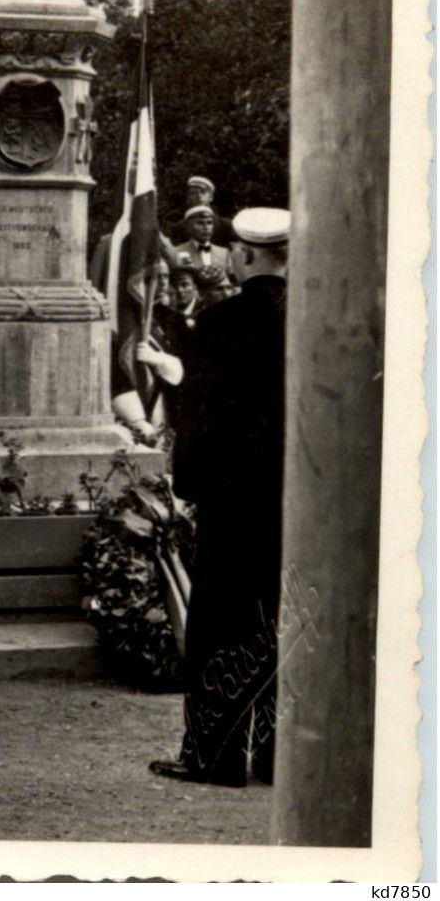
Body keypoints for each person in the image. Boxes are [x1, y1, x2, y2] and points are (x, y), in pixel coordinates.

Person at [152, 208, 290, 788]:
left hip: (234, 500)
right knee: (283, 621)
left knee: (220, 624)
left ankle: (216, 754)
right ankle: (281, 754)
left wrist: (187, 485)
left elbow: (199, 417)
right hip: (297, 498)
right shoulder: (315, 318)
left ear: (247, 255)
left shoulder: (220, 322)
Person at [171, 206, 234, 285]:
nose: (206, 228)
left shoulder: (224, 253)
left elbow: (231, 282)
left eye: (209, 223)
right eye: (200, 223)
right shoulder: (175, 252)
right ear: (188, 227)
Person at [173, 176, 235, 247]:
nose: (198, 196)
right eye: (193, 193)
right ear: (188, 197)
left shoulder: (226, 226)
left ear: (211, 197)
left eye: (203, 192)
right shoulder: (179, 229)